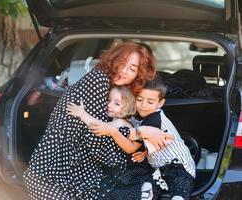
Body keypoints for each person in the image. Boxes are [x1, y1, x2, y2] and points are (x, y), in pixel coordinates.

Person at [23, 42, 169, 200]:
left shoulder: (109, 84)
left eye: (132, 69)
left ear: (138, 75)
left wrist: (139, 145)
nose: (124, 70)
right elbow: (94, 138)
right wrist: (134, 144)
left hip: (68, 165)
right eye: (122, 62)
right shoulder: (99, 80)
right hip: (54, 172)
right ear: (114, 59)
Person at [89, 78, 195, 200]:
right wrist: (145, 152)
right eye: (139, 100)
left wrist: (109, 129)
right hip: (158, 169)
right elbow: (148, 141)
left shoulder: (155, 119)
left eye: (150, 102)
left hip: (178, 165)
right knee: (147, 188)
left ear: (160, 103)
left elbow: (133, 134)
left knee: (180, 186)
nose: (144, 105)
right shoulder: (139, 115)